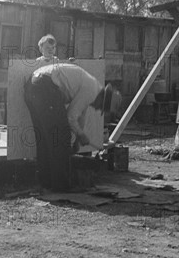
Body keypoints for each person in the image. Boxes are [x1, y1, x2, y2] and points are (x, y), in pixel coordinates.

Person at [24, 62, 114, 192]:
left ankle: (46, 182)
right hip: (45, 86)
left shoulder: (91, 86)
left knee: (46, 138)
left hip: (32, 86)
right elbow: (70, 116)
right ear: (103, 99)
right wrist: (81, 135)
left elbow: (79, 116)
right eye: (100, 107)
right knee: (61, 136)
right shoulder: (91, 91)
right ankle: (61, 186)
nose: (97, 108)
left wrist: (78, 139)